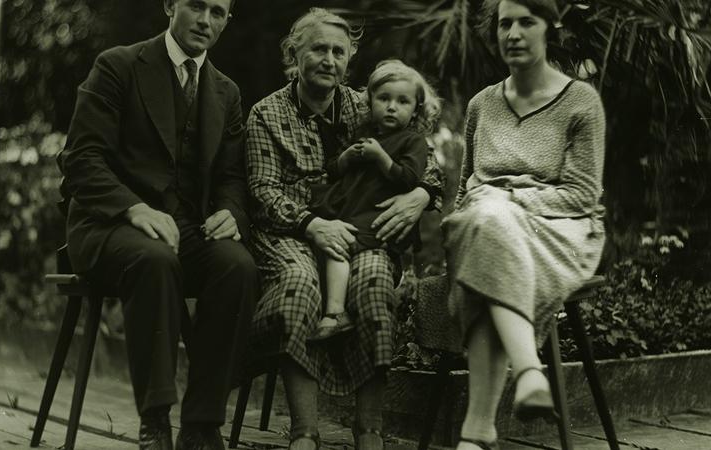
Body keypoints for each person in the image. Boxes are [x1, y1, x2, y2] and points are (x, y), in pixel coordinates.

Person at [56, 0, 257, 449]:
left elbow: (231, 178)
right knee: (154, 259)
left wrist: (232, 212)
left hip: (183, 228)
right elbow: (81, 159)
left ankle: (202, 425)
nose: (205, 21)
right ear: (170, 5)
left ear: (227, 20)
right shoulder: (118, 66)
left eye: (218, 13)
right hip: (107, 224)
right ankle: (156, 422)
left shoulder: (226, 92)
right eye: (196, 6)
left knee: (237, 267)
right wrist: (133, 208)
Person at [245, 9, 443, 450]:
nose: (329, 59)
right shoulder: (266, 114)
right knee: (300, 283)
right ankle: (304, 433)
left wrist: (421, 196)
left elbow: (426, 162)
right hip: (291, 232)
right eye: (318, 49)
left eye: (339, 51)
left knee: (373, 282)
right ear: (295, 53)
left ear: (349, 57)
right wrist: (311, 224)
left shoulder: (368, 103)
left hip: (361, 229)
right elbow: (261, 191)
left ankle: (369, 430)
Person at [440, 0, 607, 449]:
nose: (513, 33)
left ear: (549, 28)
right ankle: (527, 372)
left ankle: (477, 432)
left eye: (525, 22)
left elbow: (581, 196)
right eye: (504, 23)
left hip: (562, 228)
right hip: (487, 228)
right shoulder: (481, 105)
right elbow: (462, 195)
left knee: (490, 221)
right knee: (484, 225)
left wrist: (507, 198)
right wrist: (477, 214)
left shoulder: (581, 101)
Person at [306, 59, 442, 342]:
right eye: (384, 99)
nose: (391, 107)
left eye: (402, 101)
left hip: (378, 216)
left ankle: (338, 314)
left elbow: (408, 178)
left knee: (342, 249)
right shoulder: (363, 131)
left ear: (416, 107)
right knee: (336, 246)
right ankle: (334, 312)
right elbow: (333, 170)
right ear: (370, 101)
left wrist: (381, 158)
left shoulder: (413, 141)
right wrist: (345, 158)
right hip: (351, 210)